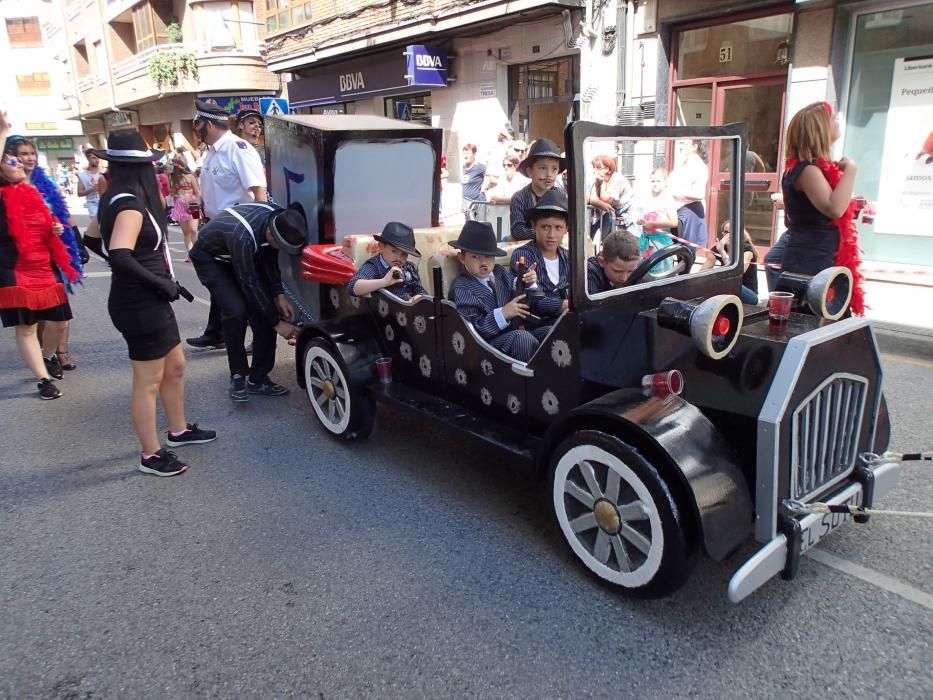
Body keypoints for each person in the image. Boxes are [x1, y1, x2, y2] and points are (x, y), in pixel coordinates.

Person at [95, 130, 216, 476]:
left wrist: (157, 282)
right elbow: (118, 254)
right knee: (148, 380)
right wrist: (159, 281)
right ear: (143, 170)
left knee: (175, 366)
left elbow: (92, 238)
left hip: (145, 296)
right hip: (138, 301)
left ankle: (178, 431)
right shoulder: (130, 204)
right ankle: (150, 454)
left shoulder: (118, 197)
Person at [189, 202, 303, 403]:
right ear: (269, 232)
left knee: (267, 309)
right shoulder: (242, 235)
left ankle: (259, 378)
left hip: (241, 256)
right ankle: (238, 375)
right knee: (236, 311)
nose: (280, 249)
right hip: (212, 259)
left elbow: (270, 260)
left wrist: (279, 295)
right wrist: (277, 323)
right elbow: (249, 282)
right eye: (279, 245)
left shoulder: (278, 219)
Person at [0, 130, 80, 400]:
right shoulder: (2, 194)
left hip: (44, 264)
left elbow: (49, 223)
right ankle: (43, 380)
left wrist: (54, 229)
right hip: (14, 267)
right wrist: (1, 130)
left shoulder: (34, 190)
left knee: (59, 322)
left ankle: (47, 357)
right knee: (27, 327)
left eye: (26, 158)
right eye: (13, 161)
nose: (21, 164)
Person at [186, 98, 268, 350]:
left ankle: (260, 338)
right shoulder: (212, 152)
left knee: (245, 284)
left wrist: (250, 234)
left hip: (235, 230)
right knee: (220, 282)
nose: (195, 128)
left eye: (197, 124)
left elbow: (259, 195)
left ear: (208, 124)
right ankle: (216, 332)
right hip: (214, 227)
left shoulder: (238, 149)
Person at [779, 101, 864, 314]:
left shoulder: (805, 169)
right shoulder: (807, 170)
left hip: (813, 259)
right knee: (818, 326)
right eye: (833, 118)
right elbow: (835, 209)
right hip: (814, 264)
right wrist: (852, 170)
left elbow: (791, 219)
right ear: (820, 129)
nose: (837, 121)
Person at [449, 220, 544, 363]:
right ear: (462, 258)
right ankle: (525, 384)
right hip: (485, 348)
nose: (483, 263)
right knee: (522, 339)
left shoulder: (499, 272)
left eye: (488, 256)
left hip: (514, 333)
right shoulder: (461, 287)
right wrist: (503, 313)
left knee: (552, 332)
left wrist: (529, 282)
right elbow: (472, 332)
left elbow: (515, 289)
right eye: (475, 257)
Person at [509, 189, 570, 324]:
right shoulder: (523, 255)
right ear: (534, 225)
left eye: (558, 227)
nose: (551, 234)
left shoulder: (568, 258)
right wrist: (567, 305)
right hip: (537, 327)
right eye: (545, 227)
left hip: (567, 322)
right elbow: (532, 300)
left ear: (566, 228)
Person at [347, 221, 428, 301]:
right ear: (381, 247)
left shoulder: (410, 267)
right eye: (394, 251)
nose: (399, 258)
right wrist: (384, 282)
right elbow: (353, 286)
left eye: (404, 254)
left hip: (411, 310)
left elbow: (420, 291)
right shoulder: (375, 266)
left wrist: (418, 297)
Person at [510, 138, 565, 241]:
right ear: (530, 171)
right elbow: (517, 230)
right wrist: (544, 232)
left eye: (554, 169)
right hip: (528, 250)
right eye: (543, 168)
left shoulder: (559, 194)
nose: (549, 174)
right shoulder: (520, 197)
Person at [700, 221, 760, 305]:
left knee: (722, 280)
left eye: (732, 232)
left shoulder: (746, 250)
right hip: (727, 291)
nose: (728, 235)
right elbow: (703, 272)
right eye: (726, 232)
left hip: (748, 294)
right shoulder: (719, 248)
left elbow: (736, 271)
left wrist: (722, 251)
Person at [668, 139, 709, 246]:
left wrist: (677, 192)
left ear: (694, 146)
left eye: (683, 143)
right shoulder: (684, 164)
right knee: (678, 250)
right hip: (678, 211)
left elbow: (700, 194)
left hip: (689, 212)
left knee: (686, 253)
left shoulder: (698, 166)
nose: (680, 146)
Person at [587, 155, 633, 240]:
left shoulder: (618, 179)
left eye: (598, 168)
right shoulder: (597, 179)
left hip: (625, 215)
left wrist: (602, 183)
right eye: (594, 167)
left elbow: (606, 200)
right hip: (606, 211)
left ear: (608, 169)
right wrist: (598, 186)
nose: (594, 170)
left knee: (613, 241)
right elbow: (594, 199)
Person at [586, 230, 642, 294]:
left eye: (630, 271)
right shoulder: (590, 274)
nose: (624, 278)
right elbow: (592, 303)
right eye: (617, 271)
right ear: (602, 262)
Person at [169, 158, 201, 255]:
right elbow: (173, 194)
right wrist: (176, 192)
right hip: (180, 204)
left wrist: (197, 202)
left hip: (193, 203)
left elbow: (197, 191)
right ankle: (190, 253)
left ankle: (198, 252)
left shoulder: (190, 176)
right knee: (186, 232)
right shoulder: (173, 179)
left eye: (171, 167)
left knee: (194, 230)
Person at [76, 148, 103, 243]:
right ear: (88, 159)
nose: (97, 160)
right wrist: (91, 189)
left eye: (98, 158)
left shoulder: (104, 173)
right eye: (94, 158)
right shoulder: (83, 175)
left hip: (104, 201)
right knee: (98, 226)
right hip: (93, 203)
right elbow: (79, 193)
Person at [461, 143, 486, 215]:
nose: (465, 155)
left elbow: (493, 176)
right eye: (464, 153)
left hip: (476, 203)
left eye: (467, 153)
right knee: (468, 225)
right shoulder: (464, 167)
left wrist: (484, 187)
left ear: (474, 154)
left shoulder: (479, 167)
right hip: (466, 203)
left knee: (477, 225)